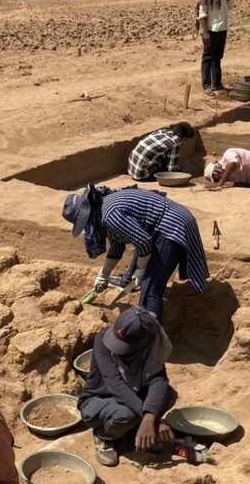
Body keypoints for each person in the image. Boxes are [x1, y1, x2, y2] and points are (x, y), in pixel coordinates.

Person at [62, 184, 209, 321]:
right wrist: (103, 274)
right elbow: (117, 247)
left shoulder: (109, 215)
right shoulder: (102, 209)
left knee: (151, 288)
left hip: (172, 226)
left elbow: (144, 242)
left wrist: (141, 270)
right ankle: (127, 279)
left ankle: (152, 338)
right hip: (166, 223)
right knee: (144, 263)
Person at [78, 308, 178, 467]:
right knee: (127, 414)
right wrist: (150, 417)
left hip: (133, 394)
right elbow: (114, 383)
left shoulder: (152, 345)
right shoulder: (102, 340)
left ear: (144, 342)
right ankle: (103, 435)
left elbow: (159, 379)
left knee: (168, 394)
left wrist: (151, 415)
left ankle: (138, 431)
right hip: (99, 399)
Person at [197, 0, 231, 96]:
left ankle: (216, 83)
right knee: (208, 57)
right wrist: (205, 32)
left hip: (222, 28)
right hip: (211, 29)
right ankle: (206, 85)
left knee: (218, 57)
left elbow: (231, 4)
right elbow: (202, 13)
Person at [127, 122, 195, 181]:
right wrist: (182, 171)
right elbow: (171, 169)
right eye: (185, 140)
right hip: (143, 176)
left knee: (163, 156)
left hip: (132, 170)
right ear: (180, 136)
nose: (184, 143)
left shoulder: (162, 131)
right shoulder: (175, 142)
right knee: (175, 170)